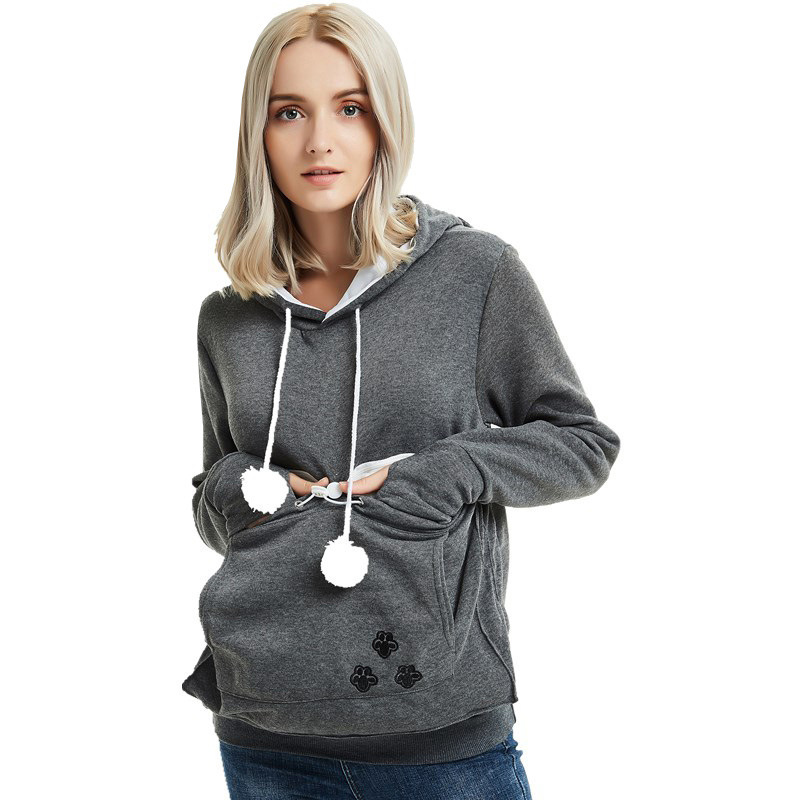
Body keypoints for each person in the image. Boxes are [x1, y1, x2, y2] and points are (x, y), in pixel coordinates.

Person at [181, 4, 621, 798]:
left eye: (350, 108)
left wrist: (444, 475)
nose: (320, 140)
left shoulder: (475, 274)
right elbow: (213, 494)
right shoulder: (229, 317)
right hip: (263, 733)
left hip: (442, 737)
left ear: (386, 121)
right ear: (258, 134)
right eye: (289, 112)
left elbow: (582, 445)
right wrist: (247, 493)